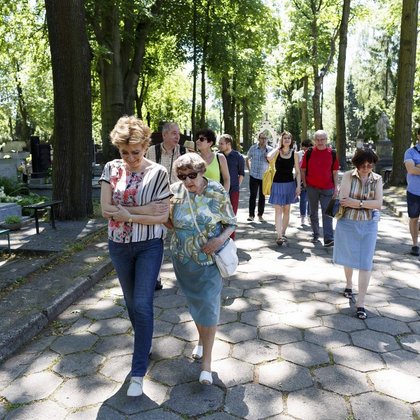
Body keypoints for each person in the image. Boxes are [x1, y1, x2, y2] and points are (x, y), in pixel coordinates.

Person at [100, 116, 171, 397]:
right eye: (124, 152)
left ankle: (138, 370)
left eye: (136, 152)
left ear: (146, 145)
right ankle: (146, 339)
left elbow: (163, 216)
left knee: (142, 303)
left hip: (149, 246)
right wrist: (145, 211)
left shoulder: (159, 173)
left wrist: (129, 213)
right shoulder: (110, 168)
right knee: (131, 304)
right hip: (118, 244)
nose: (129, 158)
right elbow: (105, 209)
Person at [167, 153, 236, 385]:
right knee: (195, 304)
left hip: (209, 261)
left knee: (207, 304)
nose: (188, 181)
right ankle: (200, 340)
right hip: (183, 260)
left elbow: (231, 223)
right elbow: (168, 220)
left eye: (192, 175)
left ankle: (206, 362)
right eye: (182, 176)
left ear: (202, 171)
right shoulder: (175, 191)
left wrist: (218, 241)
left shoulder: (216, 191)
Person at [333, 148, 383, 320]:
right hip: (347, 223)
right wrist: (365, 203)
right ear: (357, 163)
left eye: (370, 165)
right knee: (349, 257)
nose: (366, 168)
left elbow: (378, 204)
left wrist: (358, 203)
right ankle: (348, 284)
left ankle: (360, 302)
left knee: (365, 262)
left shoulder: (377, 179)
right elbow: (343, 200)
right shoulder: (347, 175)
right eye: (363, 165)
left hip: (369, 224)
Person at [146, 122, 185, 290]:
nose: (177, 136)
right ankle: (155, 277)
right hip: (158, 203)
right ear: (164, 135)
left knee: (183, 239)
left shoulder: (184, 152)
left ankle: (186, 276)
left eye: (178, 133)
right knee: (157, 239)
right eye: (174, 133)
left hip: (180, 202)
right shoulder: (151, 151)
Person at [301, 130, 339, 247]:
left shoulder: (332, 153)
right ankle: (316, 234)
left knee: (327, 213)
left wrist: (336, 188)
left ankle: (328, 238)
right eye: (317, 139)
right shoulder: (309, 153)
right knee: (313, 212)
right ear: (314, 141)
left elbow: (335, 172)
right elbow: (303, 169)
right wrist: (305, 183)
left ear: (326, 140)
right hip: (312, 187)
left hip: (327, 188)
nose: (320, 142)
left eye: (322, 139)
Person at [267, 131, 301, 245]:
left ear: (291, 141)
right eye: (284, 138)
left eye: (288, 138)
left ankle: (283, 232)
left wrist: (298, 186)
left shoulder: (295, 154)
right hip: (276, 184)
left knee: (287, 210)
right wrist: (278, 147)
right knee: (278, 211)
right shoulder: (277, 152)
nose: (286, 140)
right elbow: (269, 158)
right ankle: (279, 236)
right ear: (281, 140)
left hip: (289, 185)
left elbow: (297, 171)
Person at [218, 133, 245, 239]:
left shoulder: (238, 157)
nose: (219, 146)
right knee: (220, 215)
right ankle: (220, 238)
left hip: (234, 190)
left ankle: (230, 240)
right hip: (219, 190)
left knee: (231, 215)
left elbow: (241, 174)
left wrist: (236, 186)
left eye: (221, 143)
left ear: (228, 144)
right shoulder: (218, 156)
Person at [246, 132, 273, 222]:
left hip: (264, 176)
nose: (264, 140)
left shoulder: (270, 150)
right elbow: (247, 158)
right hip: (254, 175)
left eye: (265, 138)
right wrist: (250, 171)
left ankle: (260, 215)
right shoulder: (253, 148)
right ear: (258, 139)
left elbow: (273, 163)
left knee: (262, 196)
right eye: (262, 138)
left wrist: (268, 160)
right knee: (253, 196)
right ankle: (251, 215)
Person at [404, 128, 420, 256]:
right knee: (414, 219)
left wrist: (418, 165)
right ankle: (415, 244)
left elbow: (416, 168)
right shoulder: (410, 152)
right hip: (414, 191)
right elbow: (411, 170)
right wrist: (415, 167)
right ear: (418, 136)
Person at [297, 139, 313, 226]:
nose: (306, 149)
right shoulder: (299, 154)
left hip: (311, 179)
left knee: (310, 199)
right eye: (304, 147)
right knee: (303, 199)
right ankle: (302, 216)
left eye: (308, 147)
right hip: (302, 180)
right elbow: (297, 167)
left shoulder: (313, 154)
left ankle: (309, 216)